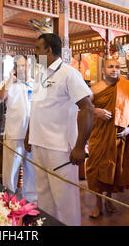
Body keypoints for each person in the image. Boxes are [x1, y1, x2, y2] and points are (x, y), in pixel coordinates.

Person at [25, 33, 94, 226]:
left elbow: (88, 108)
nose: (35, 52)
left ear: (48, 49)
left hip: (60, 149)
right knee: (44, 198)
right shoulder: (40, 75)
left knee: (65, 201)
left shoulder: (69, 73)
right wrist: (29, 134)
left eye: (38, 48)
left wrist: (80, 146)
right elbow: (36, 108)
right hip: (38, 145)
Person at [86, 58, 129, 218]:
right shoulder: (95, 89)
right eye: (110, 66)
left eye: (117, 66)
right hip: (99, 137)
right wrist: (96, 110)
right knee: (95, 170)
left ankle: (108, 199)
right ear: (103, 70)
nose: (114, 69)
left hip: (119, 138)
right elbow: (84, 109)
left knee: (112, 172)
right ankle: (98, 203)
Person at [0, 55, 37, 203]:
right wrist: (9, 81)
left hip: (33, 135)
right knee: (10, 170)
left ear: (29, 67)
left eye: (24, 65)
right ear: (14, 68)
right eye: (18, 66)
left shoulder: (36, 84)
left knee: (31, 171)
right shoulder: (8, 83)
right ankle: (8, 200)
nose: (22, 69)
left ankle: (31, 201)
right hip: (14, 134)